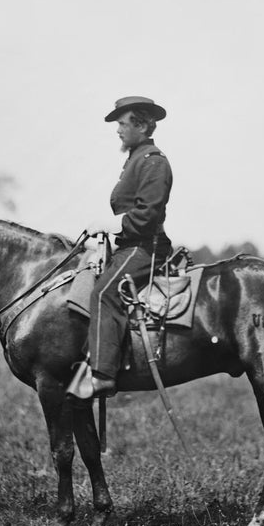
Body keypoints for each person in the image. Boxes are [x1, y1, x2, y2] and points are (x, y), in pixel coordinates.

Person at [80, 96, 174, 398]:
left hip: (145, 247)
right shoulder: (135, 159)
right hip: (129, 245)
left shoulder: (154, 162)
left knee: (104, 293)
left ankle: (104, 375)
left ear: (143, 125)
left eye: (123, 124)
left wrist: (112, 227)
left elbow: (147, 215)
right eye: (118, 125)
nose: (118, 130)